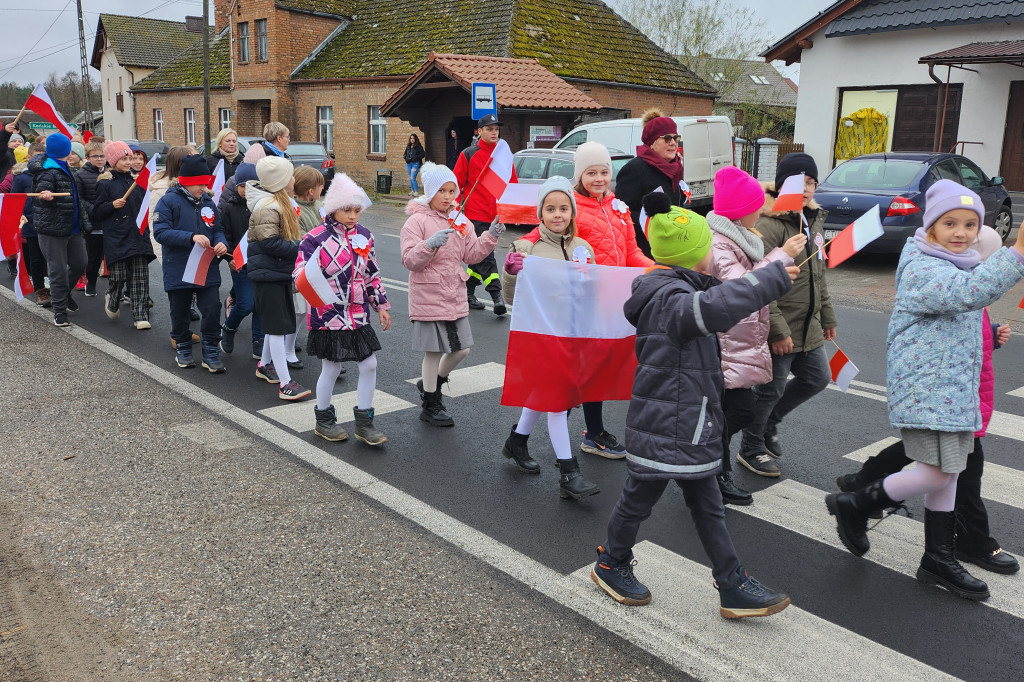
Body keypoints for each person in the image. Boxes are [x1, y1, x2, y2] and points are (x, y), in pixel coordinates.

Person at [591, 194, 795, 619]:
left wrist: (767, 272)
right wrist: (771, 278)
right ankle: (611, 563)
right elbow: (717, 307)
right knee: (638, 501)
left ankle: (732, 582)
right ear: (698, 254)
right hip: (669, 423)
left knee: (706, 504)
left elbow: (723, 294)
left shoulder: (676, 287)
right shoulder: (671, 300)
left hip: (687, 419)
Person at [826, 180, 1024, 601]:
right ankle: (856, 504)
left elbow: (958, 316)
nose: (961, 232)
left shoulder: (958, 263)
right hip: (928, 391)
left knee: (948, 474)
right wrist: (1018, 255)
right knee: (937, 472)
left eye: (970, 224)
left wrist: (990, 331)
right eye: (949, 223)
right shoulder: (921, 265)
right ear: (930, 226)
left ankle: (938, 556)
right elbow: (964, 295)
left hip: (952, 390)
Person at [703, 166, 807, 505]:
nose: (762, 210)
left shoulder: (741, 235)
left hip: (739, 340)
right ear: (738, 210)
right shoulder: (720, 242)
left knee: (736, 411)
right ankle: (712, 473)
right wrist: (781, 259)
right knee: (732, 412)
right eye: (755, 205)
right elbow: (740, 287)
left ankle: (709, 468)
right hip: (724, 341)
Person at [499, 175, 600, 499]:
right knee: (557, 403)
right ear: (540, 213)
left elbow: (591, 292)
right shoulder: (527, 248)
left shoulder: (582, 248)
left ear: (572, 211)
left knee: (547, 396)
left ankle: (517, 442)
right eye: (550, 208)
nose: (558, 215)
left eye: (564, 208)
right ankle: (569, 473)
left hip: (572, 337)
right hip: (541, 337)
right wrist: (510, 272)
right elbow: (511, 296)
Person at [737, 153, 836, 478]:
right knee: (770, 390)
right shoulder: (769, 225)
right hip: (777, 327)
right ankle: (750, 448)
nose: (806, 188)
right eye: (799, 182)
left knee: (818, 377)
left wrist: (828, 317)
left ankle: (768, 426)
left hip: (808, 325)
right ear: (782, 186)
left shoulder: (813, 220)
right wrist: (777, 331)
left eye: (811, 182)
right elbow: (762, 285)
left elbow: (818, 275)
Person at [401, 162, 503, 426]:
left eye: (452, 190)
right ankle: (431, 404)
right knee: (433, 352)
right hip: (428, 295)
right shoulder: (417, 221)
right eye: (442, 191)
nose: (448, 197)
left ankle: (430, 384)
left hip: (454, 293)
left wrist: (490, 235)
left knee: (462, 350)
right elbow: (410, 260)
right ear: (430, 193)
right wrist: (430, 245)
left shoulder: (460, 220)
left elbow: (471, 255)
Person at [570, 141, 654, 460]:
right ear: (580, 176)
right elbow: (543, 235)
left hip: (617, 301)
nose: (599, 178)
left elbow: (632, 252)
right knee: (591, 368)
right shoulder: (571, 206)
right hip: (587, 302)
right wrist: (522, 248)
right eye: (591, 172)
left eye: (604, 171)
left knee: (610, 365)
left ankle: (594, 428)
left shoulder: (618, 208)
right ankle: (592, 434)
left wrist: (659, 270)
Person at [296, 173, 391, 444]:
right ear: (333, 208)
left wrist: (381, 304)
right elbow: (301, 272)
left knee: (369, 364)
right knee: (332, 368)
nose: (352, 215)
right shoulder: (314, 238)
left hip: (358, 313)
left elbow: (371, 275)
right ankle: (324, 419)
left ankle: (365, 422)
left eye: (357, 210)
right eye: (346, 210)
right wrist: (314, 284)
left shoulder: (365, 236)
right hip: (329, 314)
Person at [152, 154, 228, 372]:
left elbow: (218, 229)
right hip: (179, 266)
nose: (203, 188)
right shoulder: (168, 201)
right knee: (180, 311)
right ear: (185, 181)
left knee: (213, 307)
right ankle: (183, 347)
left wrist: (221, 243)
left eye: (206, 183)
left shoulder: (207, 202)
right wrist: (191, 237)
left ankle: (211, 351)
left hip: (206, 267)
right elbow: (160, 232)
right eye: (199, 183)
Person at [247, 156, 309, 400]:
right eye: (290, 176)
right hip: (267, 273)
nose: (294, 179)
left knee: (280, 323)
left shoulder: (280, 203)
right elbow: (270, 242)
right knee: (276, 328)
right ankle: (285, 383)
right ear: (281, 182)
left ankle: (264, 364)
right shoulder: (268, 207)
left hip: (277, 271)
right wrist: (302, 246)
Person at [452, 113, 516, 315]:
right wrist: (453, 209)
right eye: (489, 129)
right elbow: (456, 184)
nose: (494, 132)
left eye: (496, 129)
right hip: (474, 215)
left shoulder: (503, 156)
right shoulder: (468, 154)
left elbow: (512, 184)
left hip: (496, 216)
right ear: (479, 132)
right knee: (487, 255)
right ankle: (497, 296)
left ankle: (467, 292)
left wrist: (512, 210)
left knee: (477, 257)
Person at [93, 140, 156, 330]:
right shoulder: (105, 183)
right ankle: (112, 298)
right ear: (113, 161)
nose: (129, 162)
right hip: (117, 235)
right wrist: (112, 205)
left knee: (140, 276)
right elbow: (97, 211)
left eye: (130, 158)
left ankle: (140, 315)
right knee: (119, 275)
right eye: (124, 158)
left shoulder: (137, 182)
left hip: (138, 234)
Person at [31, 133, 89, 327]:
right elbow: (41, 193)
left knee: (81, 263)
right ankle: (59, 310)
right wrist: (45, 196)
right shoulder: (48, 170)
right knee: (58, 271)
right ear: (66, 150)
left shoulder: (67, 168)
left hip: (73, 228)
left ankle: (63, 295)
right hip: (52, 229)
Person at [614, 110, 686, 258]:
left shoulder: (676, 167)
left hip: (672, 244)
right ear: (652, 143)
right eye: (667, 138)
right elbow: (622, 212)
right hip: (645, 250)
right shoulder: (634, 169)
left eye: (675, 138)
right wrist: (654, 222)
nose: (673, 142)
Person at [219, 162, 263, 359]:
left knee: (261, 303)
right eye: (243, 185)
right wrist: (228, 256)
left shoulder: (262, 207)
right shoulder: (229, 208)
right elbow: (223, 235)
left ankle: (258, 340)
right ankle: (228, 328)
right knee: (245, 304)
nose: (246, 190)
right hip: (239, 263)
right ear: (236, 185)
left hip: (261, 263)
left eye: (252, 186)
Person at [289, 165, 327, 367]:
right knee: (299, 311)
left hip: (321, 266)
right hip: (304, 266)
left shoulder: (319, 205)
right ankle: (288, 349)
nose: (324, 188)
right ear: (311, 191)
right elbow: (301, 239)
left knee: (320, 311)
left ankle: (329, 356)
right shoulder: (295, 211)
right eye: (321, 186)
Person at [10, 148, 47, 305]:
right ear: (28, 158)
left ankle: (54, 286)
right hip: (32, 223)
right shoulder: (22, 179)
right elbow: (13, 200)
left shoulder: (49, 174)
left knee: (51, 257)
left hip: (50, 222)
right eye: (36, 158)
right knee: (36, 258)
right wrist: (20, 215)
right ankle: (40, 290)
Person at [77, 140, 106, 297]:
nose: (100, 159)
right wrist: (94, 209)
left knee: (113, 256)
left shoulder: (110, 173)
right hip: (93, 223)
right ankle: (91, 282)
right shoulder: (81, 175)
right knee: (94, 257)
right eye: (95, 156)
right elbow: (79, 199)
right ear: (87, 157)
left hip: (109, 221)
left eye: (102, 156)